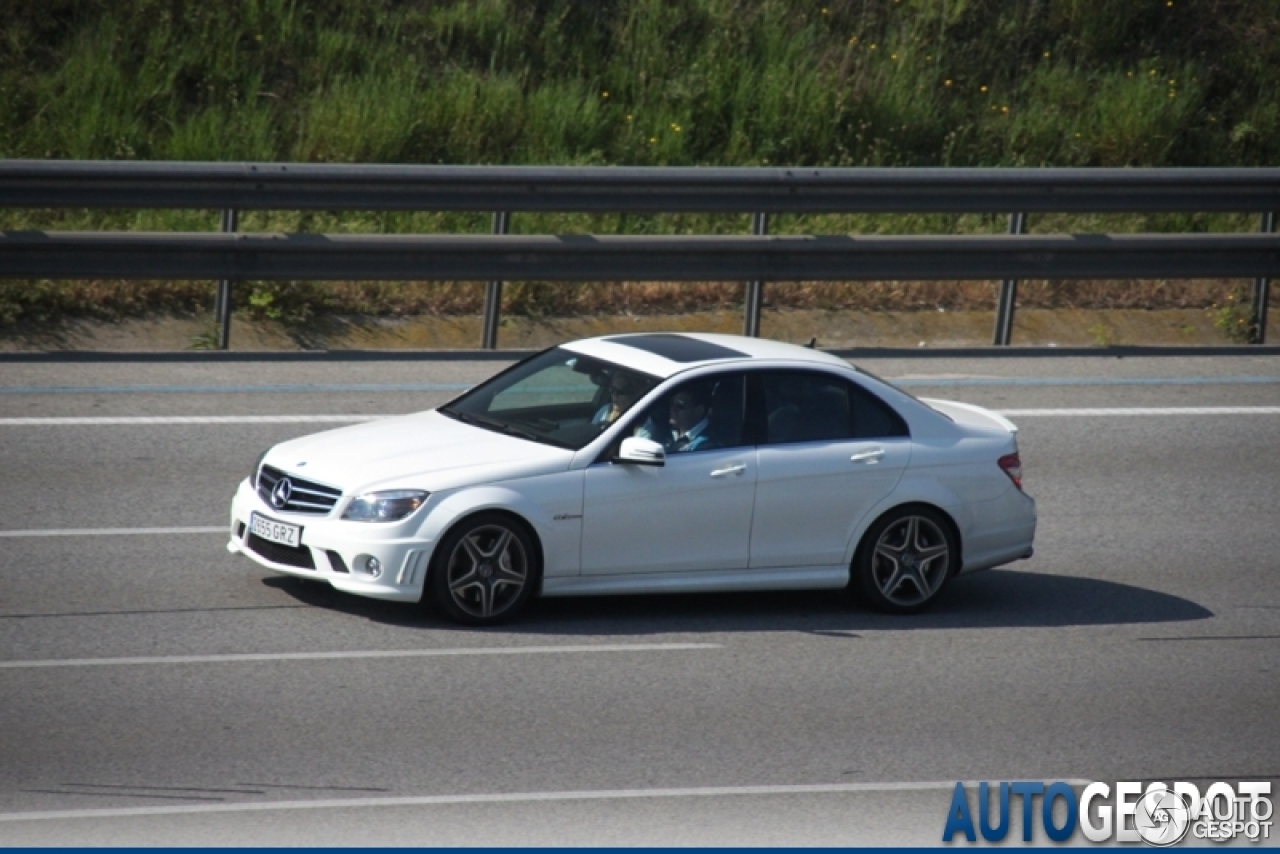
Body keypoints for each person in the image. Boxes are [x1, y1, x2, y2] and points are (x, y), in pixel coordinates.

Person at [665, 385, 713, 452]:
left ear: (699, 410)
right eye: (671, 404)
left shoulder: (707, 446)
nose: (672, 409)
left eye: (680, 406)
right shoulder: (666, 431)